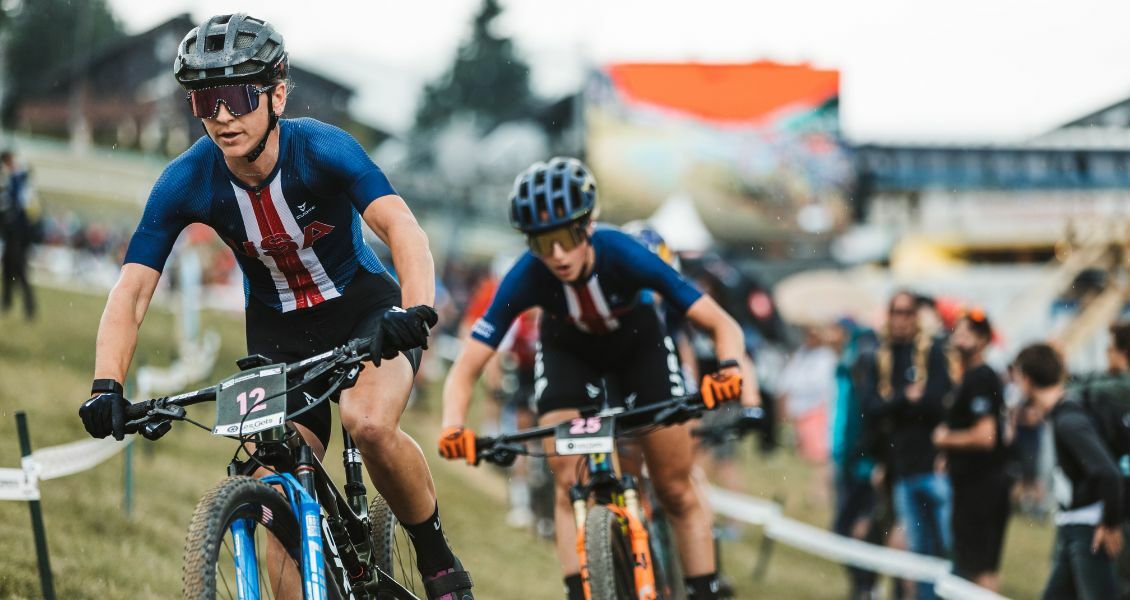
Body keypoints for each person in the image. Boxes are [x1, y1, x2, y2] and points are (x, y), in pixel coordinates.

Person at [76, 14, 472, 600]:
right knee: (274, 488)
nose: (222, 116)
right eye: (205, 101)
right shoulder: (187, 179)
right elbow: (132, 289)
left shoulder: (321, 147)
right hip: (279, 335)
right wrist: (106, 384)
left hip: (365, 310)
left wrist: (413, 310)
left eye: (236, 97)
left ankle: (438, 564)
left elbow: (402, 227)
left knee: (367, 423)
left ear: (277, 95)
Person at [438, 157, 759, 600]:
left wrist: (730, 370)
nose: (557, 255)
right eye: (542, 242)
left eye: (567, 237)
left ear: (588, 225)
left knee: (674, 487)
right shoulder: (526, 274)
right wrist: (453, 423)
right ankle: (580, 590)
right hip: (569, 353)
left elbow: (723, 325)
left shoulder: (622, 251)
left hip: (639, 345)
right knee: (568, 482)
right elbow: (469, 363)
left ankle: (702, 589)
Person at [857, 290, 954, 600]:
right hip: (898, 467)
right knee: (914, 547)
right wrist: (904, 399)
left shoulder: (931, 352)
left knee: (946, 545)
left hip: (933, 466)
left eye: (907, 313)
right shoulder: (880, 355)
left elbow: (938, 400)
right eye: (896, 312)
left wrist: (895, 404)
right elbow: (870, 407)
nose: (901, 320)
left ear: (916, 316)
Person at [1014, 343, 1122, 600]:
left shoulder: (1068, 420)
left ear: (1027, 380)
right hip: (1071, 525)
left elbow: (1108, 472)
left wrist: (1110, 524)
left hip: (1088, 531)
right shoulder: (1060, 414)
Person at [933, 310, 1010, 591]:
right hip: (971, 485)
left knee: (981, 568)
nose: (960, 338)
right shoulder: (968, 376)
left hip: (983, 487)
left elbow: (985, 436)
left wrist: (945, 439)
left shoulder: (981, 376)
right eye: (959, 331)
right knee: (970, 563)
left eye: (968, 334)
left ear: (984, 341)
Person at [0, 150, 35, 320]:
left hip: (19, 233)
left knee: (19, 268)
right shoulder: (11, 180)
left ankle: (29, 306)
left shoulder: (19, 179)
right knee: (7, 266)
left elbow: (24, 205)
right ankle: (7, 302)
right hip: (11, 232)